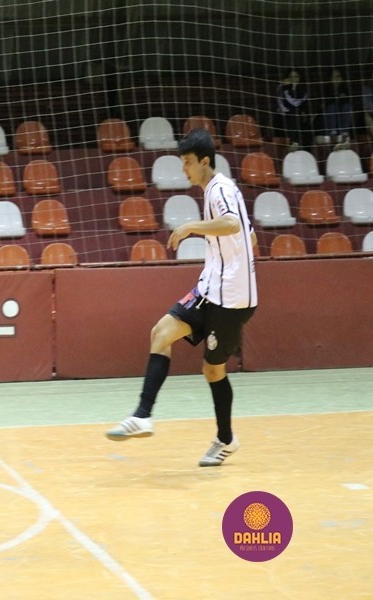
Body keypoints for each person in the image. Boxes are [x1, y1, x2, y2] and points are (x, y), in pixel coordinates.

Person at [105, 129, 257, 468]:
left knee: (213, 370)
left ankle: (226, 440)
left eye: (188, 162)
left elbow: (232, 224)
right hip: (211, 288)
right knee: (161, 332)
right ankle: (142, 415)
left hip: (231, 300)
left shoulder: (219, 189)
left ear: (204, 161)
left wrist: (191, 227)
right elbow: (249, 235)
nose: (184, 169)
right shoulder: (217, 189)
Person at [274, 69, 312, 151]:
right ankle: (294, 142)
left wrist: (295, 89)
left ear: (300, 78)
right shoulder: (282, 89)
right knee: (294, 112)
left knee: (304, 124)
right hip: (283, 119)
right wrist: (283, 85)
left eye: (296, 77)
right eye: (290, 77)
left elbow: (303, 107)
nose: (293, 79)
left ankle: (301, 147)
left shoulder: (304, 91)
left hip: (298, 120)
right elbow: (282, 105)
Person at [321, 68, 353, 145]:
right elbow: (327, 102)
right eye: (334, 77)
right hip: (330, 115)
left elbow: (346, 101)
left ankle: (344, 133)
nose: (336, 79)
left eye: (338, 76)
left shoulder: (344, 88)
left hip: (341, 113)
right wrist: (338, 97)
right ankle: (332, 133)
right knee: (332, 106)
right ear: (330, 78)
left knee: (346, 106)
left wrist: (337, 98)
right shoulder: (326, 88)